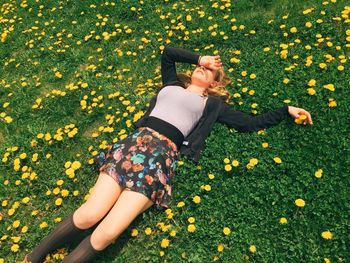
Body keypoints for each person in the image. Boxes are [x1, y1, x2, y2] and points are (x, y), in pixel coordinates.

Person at [23, 45, 313, 263]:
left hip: (160, 160)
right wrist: (199, 58)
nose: (203, 69)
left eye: (209, 71)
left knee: (107, 233)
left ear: (213, 83)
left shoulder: (212, 105)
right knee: (88, 215)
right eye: (203, 66)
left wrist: (285, 111)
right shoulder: (171, 84)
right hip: (133, 147)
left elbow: (249, 123)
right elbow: (168, 53)